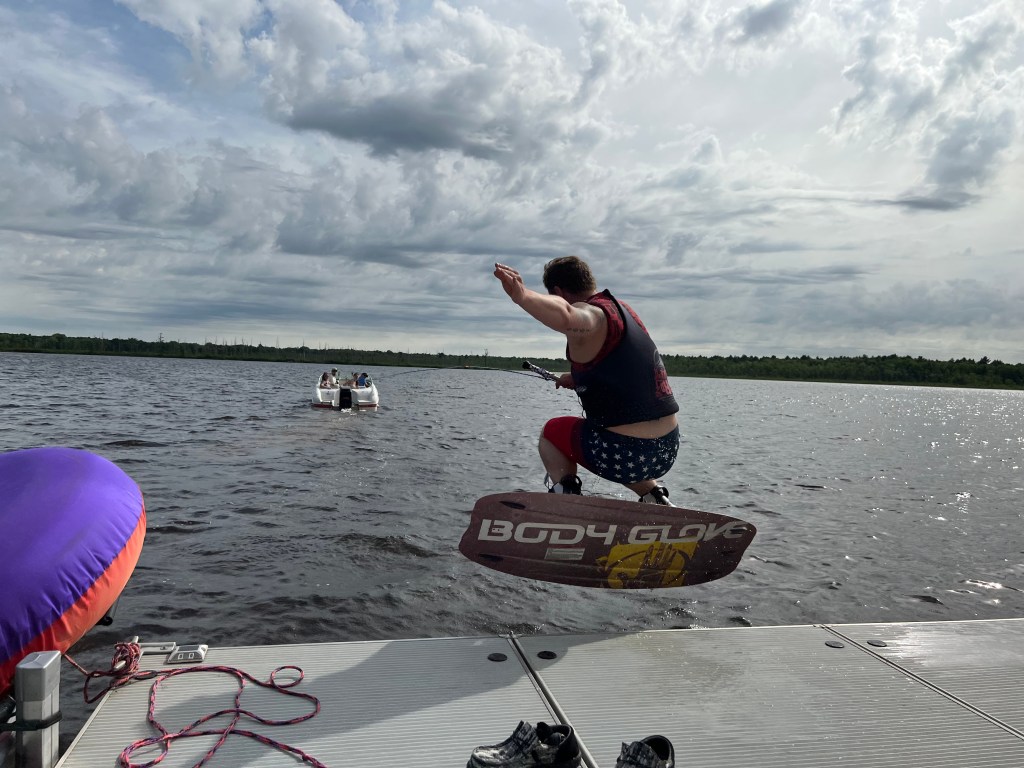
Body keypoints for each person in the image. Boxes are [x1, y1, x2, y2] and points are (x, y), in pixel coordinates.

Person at [494, 257, 679, 505]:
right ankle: (654, 496)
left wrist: (523, 296)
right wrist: (577, 377)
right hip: (667, 448)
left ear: (558, 293)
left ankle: (567, 500)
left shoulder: (594, 315)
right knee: (618, 445)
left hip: (627, 453)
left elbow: (568, 315)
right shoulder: (623, 311)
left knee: (552, 432)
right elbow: (623, 367)